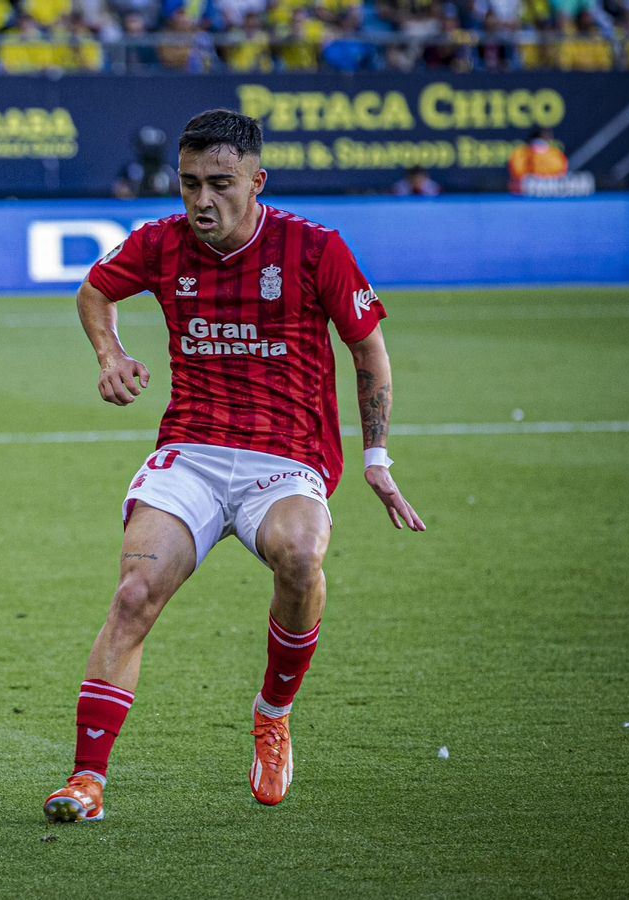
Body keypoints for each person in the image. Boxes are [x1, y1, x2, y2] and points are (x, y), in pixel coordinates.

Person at [42, 109, 426, 821]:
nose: (201, 201)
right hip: (192, 450)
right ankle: (86, 782)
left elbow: (367, 348)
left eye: (220, 184)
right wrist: (110, 355)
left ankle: (272, 713)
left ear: (257, 181)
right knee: (134, 593)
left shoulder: (314, 250)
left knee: (301, 554)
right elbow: (94, 290)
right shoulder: (161, 245)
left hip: (286, 458)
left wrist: (376, 456)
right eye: (189, 184)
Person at [507, 126, 567, 193]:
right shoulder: (555, 153)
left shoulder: (519, 152)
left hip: (527, 187)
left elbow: (516, 173)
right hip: (548, 187)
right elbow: (561, 170)